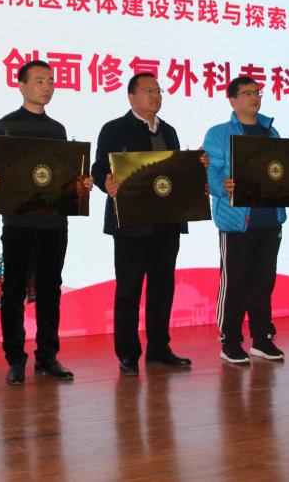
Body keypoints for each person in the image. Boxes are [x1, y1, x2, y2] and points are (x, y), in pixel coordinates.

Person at [0, 60, 93, 386]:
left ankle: (47, 357)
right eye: (40, 80)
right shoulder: (5, 126)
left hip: (54, 223)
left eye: (51, 81)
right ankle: (15, 359)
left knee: (50, 290)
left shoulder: (57, 129)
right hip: (18, 222)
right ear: (22, 86)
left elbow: (61, 174)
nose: (47, 86)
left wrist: (81, 183)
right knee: (13, 291)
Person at [91, 73, 195, 376]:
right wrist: (106, 182)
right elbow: (99, 168)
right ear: (131, 97)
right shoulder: (114, 129)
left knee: (162, 289)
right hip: (131, 225)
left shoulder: (169, 131)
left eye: (158, 90)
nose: (155, 95)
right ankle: (127, 354)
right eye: (148, 90)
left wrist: (194, 167)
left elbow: (175, 173)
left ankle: (159, 349)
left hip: (166, 224)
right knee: (129, 290)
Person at [202, 76, 287, 364]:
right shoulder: (219, 134)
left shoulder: (271, 132)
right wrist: (222, 185)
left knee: (264, 282)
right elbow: (210, 173)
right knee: (235, 283)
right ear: (232, 100)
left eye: (257, 92)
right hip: (236, 221)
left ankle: (262, 339)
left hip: (270, 218)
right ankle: (230, 341)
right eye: (247, 93)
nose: (254, 97)